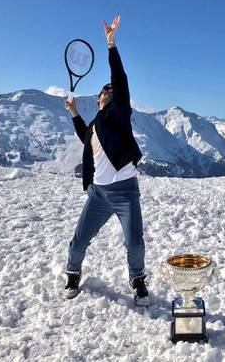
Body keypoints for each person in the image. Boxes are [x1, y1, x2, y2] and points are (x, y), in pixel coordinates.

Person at [63, 15, 149, 305]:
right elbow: (86, 139)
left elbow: (120, 80)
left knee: (134, 241)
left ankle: (138, 281)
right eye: (104, 90)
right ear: (98, 99)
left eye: (110, 90)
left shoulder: (119, 114)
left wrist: (111, 44)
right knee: (79, 239)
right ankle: (72, 274)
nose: (108, 91)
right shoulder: (96, 124)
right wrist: (74, 113)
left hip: (125, 191)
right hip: (98, 193)